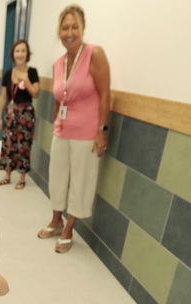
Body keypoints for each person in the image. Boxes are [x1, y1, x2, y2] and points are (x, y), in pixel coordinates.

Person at [38, 4, 111, 253]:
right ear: (59, 31)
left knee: (80, 181)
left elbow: (105, 94)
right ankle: (56, 219)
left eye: (74, 27)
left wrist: (102, 130)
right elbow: (59, 98)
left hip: (86, 133)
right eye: (65, 27)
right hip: (63, 130)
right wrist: (57, 122)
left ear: (82, 29)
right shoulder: (58, 63)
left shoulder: (94, 54)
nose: (70, 32)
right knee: (57, 177)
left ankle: (70, 228)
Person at [0, 40, 40, 190]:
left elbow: (35, 93)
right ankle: (7, 176)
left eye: (23, 51)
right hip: (11, 112)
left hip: (26, 113)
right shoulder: (8, 73)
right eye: (17, 51)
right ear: (13, 54)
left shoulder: (32, 72)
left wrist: (25, 78)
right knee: (8, 144)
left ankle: (22, 178)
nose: (20, 54)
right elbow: (3, 96)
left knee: (24, 145)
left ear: (27, 54)